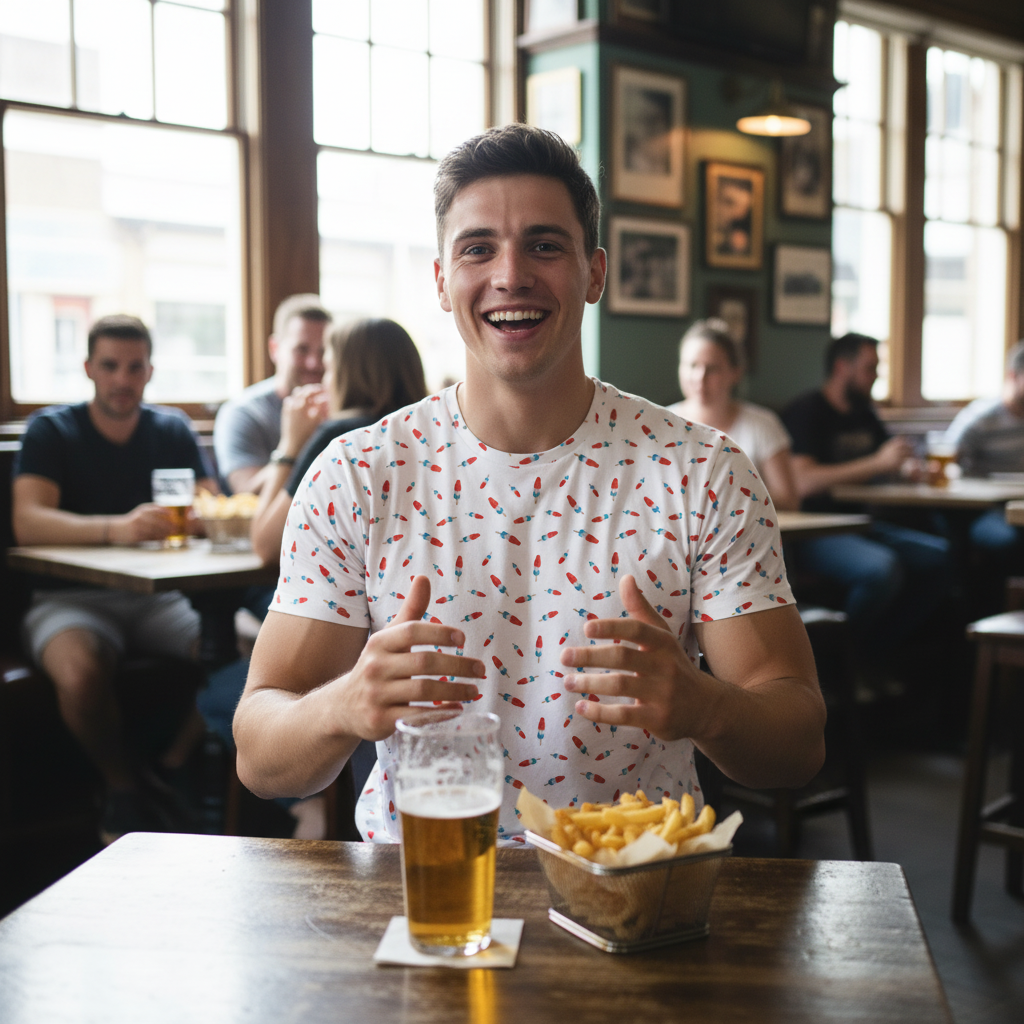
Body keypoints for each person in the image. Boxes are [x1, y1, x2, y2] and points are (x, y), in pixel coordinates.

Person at [233, 124, 825, 846]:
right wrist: (344, 707)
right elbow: (261, 759)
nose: (511, 274)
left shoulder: (702, 471)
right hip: (426, 895)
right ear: (442, 281)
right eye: (478, 248)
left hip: (635, 896)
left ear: (595, 273)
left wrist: (705, 707)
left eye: (545, 245)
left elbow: (798, 744)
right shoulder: (357, 475)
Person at [11, 314, 219, 842]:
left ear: (150, 371)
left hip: (157, 600)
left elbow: (212, 504)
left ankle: (169, 767)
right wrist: (118, 529)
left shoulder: (171, 428)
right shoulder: (51, 429)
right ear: (87, 368)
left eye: (134, 367)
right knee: (81, 673)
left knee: (245, 651)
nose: (122, 380)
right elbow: (27, 522)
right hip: (68, 599)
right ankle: (121, 790)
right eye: (110, 366)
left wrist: (200, 516)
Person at [782, 333, 949, 653]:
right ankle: (842, 660)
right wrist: (876, 462)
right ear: (842, 367)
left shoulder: (865, 413)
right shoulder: (807, 412)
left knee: (938, 558)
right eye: (870, 368)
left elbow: (887, 460)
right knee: (882, 569)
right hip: (814, 531)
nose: (876, 377)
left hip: (862, 523)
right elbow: (804, 481)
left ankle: (876, 650)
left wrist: (907, 469)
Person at [250, 318, 429, 566]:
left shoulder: (340, 436)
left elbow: (266, 545)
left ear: (349, 375)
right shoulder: (428, 430)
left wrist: (288, 447)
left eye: (328, 369)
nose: (324, 382)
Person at [668, 318, 798, 511]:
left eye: (712, 368)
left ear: (735, 373)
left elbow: (788, 501)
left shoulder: (763, 424)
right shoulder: (664, 423)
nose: (700, 378)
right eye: (692, 365)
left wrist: (730, 498)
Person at [213, 294, 331, 495]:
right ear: (275, 349)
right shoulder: (243, 412)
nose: (314, 363)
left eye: (323, 351)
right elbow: (245, 494)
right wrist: (293, 445)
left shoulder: (345, 408)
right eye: (301, 350)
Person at [942, 340, 1024, 560]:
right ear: (1013, 376)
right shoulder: (981, 419)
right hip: (990, 509)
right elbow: (947, 459)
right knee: (1008, 539)